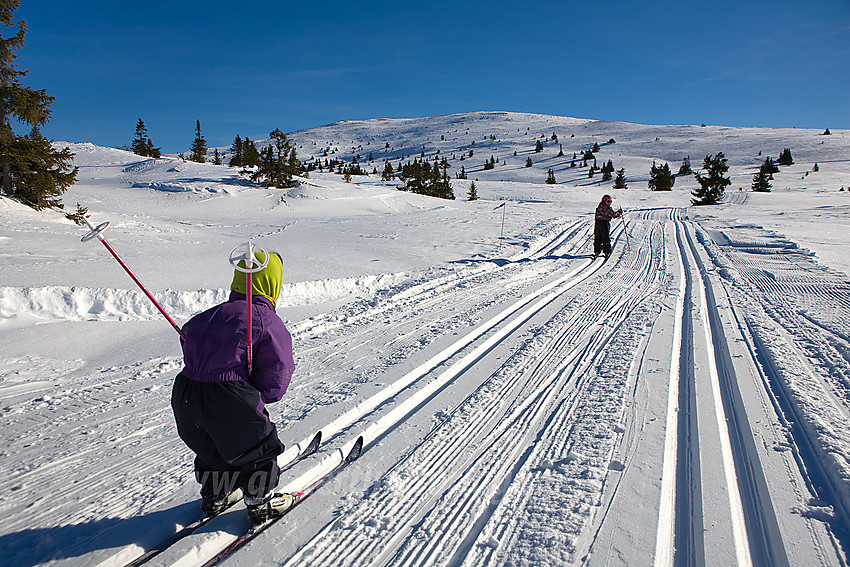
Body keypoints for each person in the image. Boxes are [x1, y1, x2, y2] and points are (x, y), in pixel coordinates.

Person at [171, 250, 297, 524]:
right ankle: (258, 501)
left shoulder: (211, 314)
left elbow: (188, 337)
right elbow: (278, 370)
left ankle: (216, 495)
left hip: (186, 395)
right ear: (273, 284)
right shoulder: (265, 320)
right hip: (229, 397)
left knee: (212, 447)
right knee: (257, 445)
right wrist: (257, 394)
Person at [594, 194, 622, 259]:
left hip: (598, 223)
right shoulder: (606, 208)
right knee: (605, 237)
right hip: (604, 223)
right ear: (604, 201)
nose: (610, 203)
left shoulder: (600, 206)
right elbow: (613, 215)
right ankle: (606, 251)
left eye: (610, 201)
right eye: (608, 201)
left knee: (598, 237)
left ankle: (597, 250)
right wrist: (619, 213)